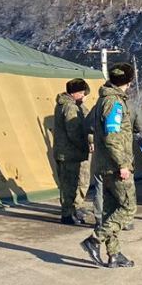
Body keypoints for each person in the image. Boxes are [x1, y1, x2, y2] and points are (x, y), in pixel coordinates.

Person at [82, 62, 137, 268]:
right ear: (128, 82)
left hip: (104, 165)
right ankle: (95, 240)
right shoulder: (114, 103)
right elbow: (112, 137)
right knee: (128, 208)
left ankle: (114, 254)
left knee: (111, 210)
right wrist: (123, 164)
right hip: (115, 166)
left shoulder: (102, 100)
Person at [53, 78, 91, 225]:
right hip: (69, 153)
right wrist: (84, 146)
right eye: (81, 92)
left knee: (68, 184)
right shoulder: (70, 108)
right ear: (74, 93)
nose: (83, 96)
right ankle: (67, 215)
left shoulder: (62, 105)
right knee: (69, 185)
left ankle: (70, 212)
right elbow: (73, 131)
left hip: (64, 152)